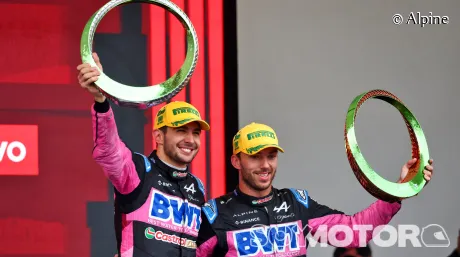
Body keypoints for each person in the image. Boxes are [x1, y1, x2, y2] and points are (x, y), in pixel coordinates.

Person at [196, 122, 434, 257]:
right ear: (236, 161)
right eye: (255, 157)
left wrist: (399, 190)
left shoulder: (296, 203)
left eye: (271, 156)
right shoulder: (215, 213)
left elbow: (354, 232)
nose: (265, 165)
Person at [77, 53, 209, 257]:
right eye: (181, 131)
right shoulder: (139, 170)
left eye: (195, 133)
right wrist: (101, 100)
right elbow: (108, 150)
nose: (190, 140)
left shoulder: (197, 187)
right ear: (159, 136)